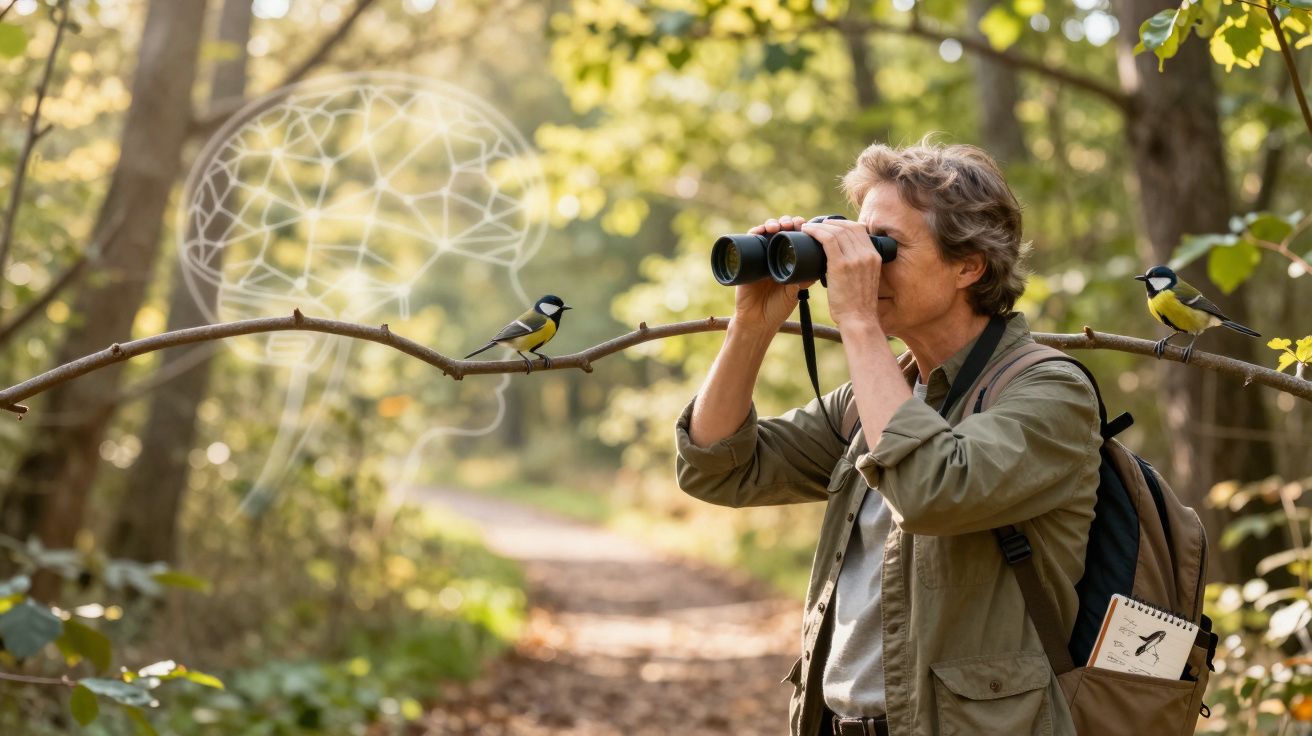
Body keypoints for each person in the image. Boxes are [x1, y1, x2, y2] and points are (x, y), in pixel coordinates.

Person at [673, 138, 1102, 736]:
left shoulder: (1051, 392)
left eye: (884, 247)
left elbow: (932, 491)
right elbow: (717, 467)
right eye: (859, 242)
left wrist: (857, 319)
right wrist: (751, 322)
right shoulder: (877, 397)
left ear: (968, 265)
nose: (864, 265)